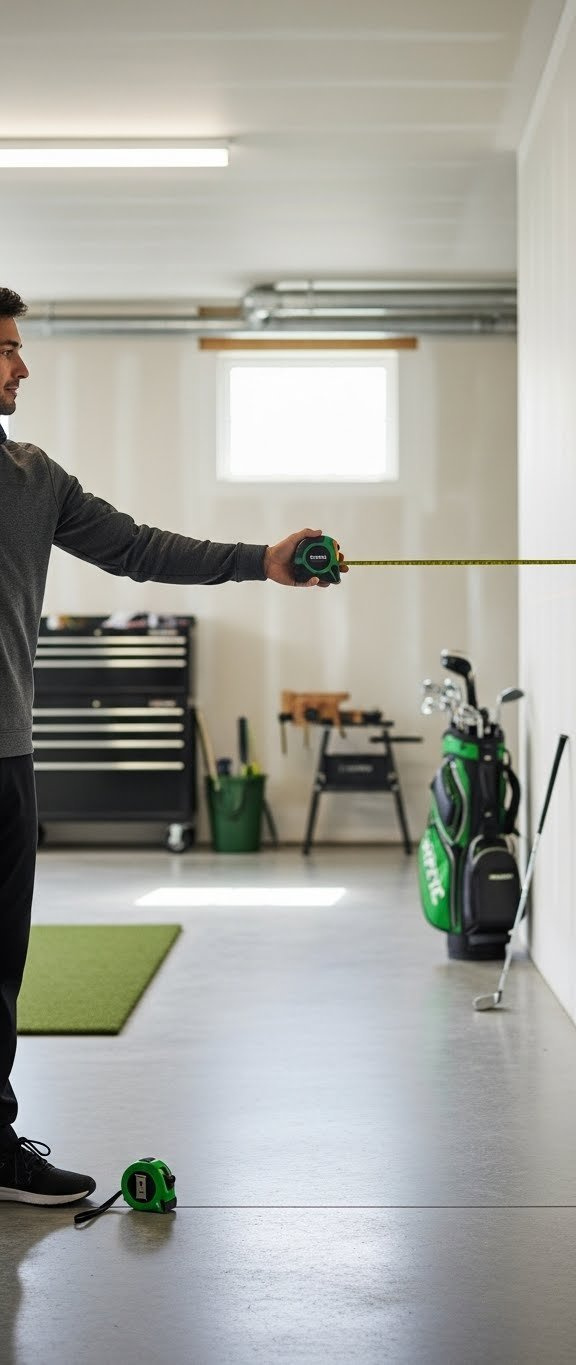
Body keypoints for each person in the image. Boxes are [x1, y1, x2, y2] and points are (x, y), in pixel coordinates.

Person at [0, 286, 347, 1207]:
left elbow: (137, 547)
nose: (21, 365)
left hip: (6, 760)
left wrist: (258, 560)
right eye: (4, 349)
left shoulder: (34, 479)